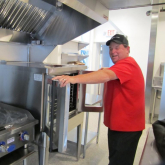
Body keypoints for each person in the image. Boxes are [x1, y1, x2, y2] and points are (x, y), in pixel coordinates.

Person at [52, 34, 145, 165]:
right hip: (120, 124)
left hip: (127, 128)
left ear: (127, 49)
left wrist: (72, 79)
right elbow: (108, 72)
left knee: (120, 161)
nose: (113, 51)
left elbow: (105, 75)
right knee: (115, 159)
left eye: (117, 47)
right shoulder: (123, 66)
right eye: (111, 49)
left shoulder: (128, 64)